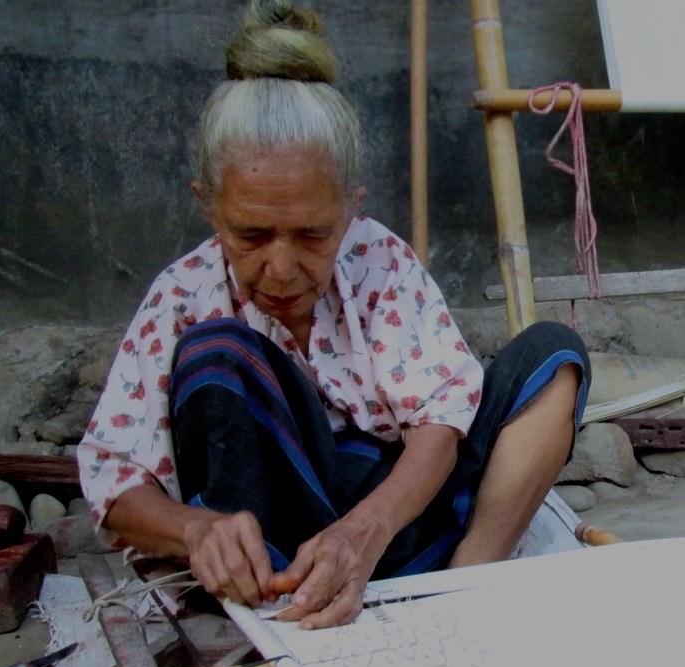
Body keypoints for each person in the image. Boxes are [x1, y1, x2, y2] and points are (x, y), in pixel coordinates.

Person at [77, 0, 590, 630]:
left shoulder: (379, 262)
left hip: (393, 527)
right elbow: (114, 477)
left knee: (551, 356)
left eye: (314, 234)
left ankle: (462, 590)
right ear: (209, 206)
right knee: (216, 353)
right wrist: (198, 529)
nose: (283, 267)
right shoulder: (183, 292)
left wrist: (364, 529)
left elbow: (439, 421)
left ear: (351, 206)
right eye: (252, 234)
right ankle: (283, 603)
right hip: (276, 550)